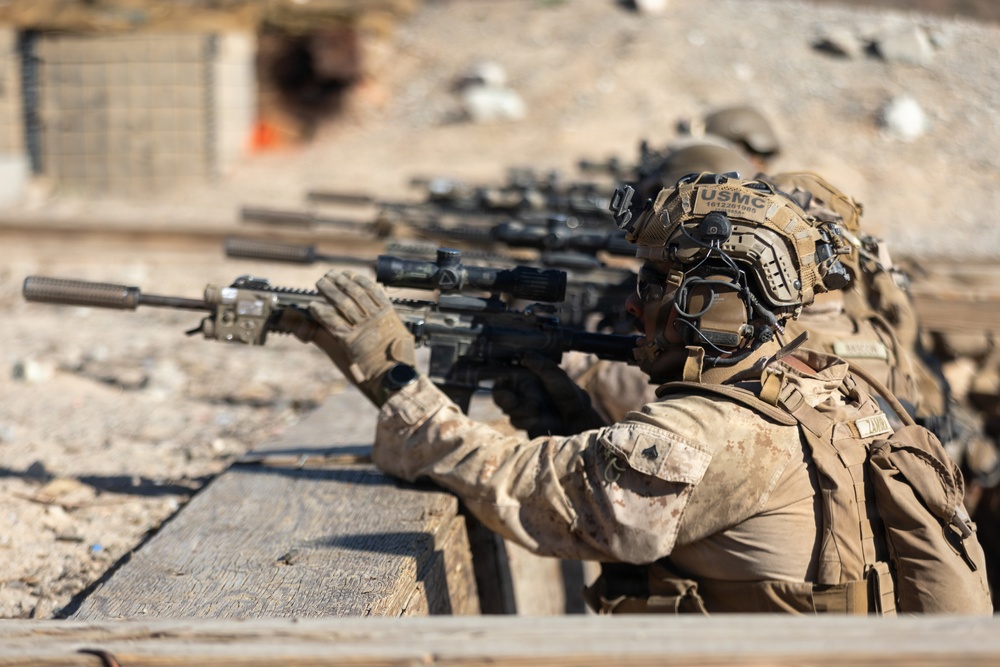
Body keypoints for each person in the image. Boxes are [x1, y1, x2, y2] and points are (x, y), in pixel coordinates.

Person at [303, 174, 992, 614]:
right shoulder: (826, 385)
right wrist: (561, 412)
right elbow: (654, 493)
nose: (636, 308)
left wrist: (388, 374)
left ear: (715, 302)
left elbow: (521, 486)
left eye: (655, 285)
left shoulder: (711, 433)